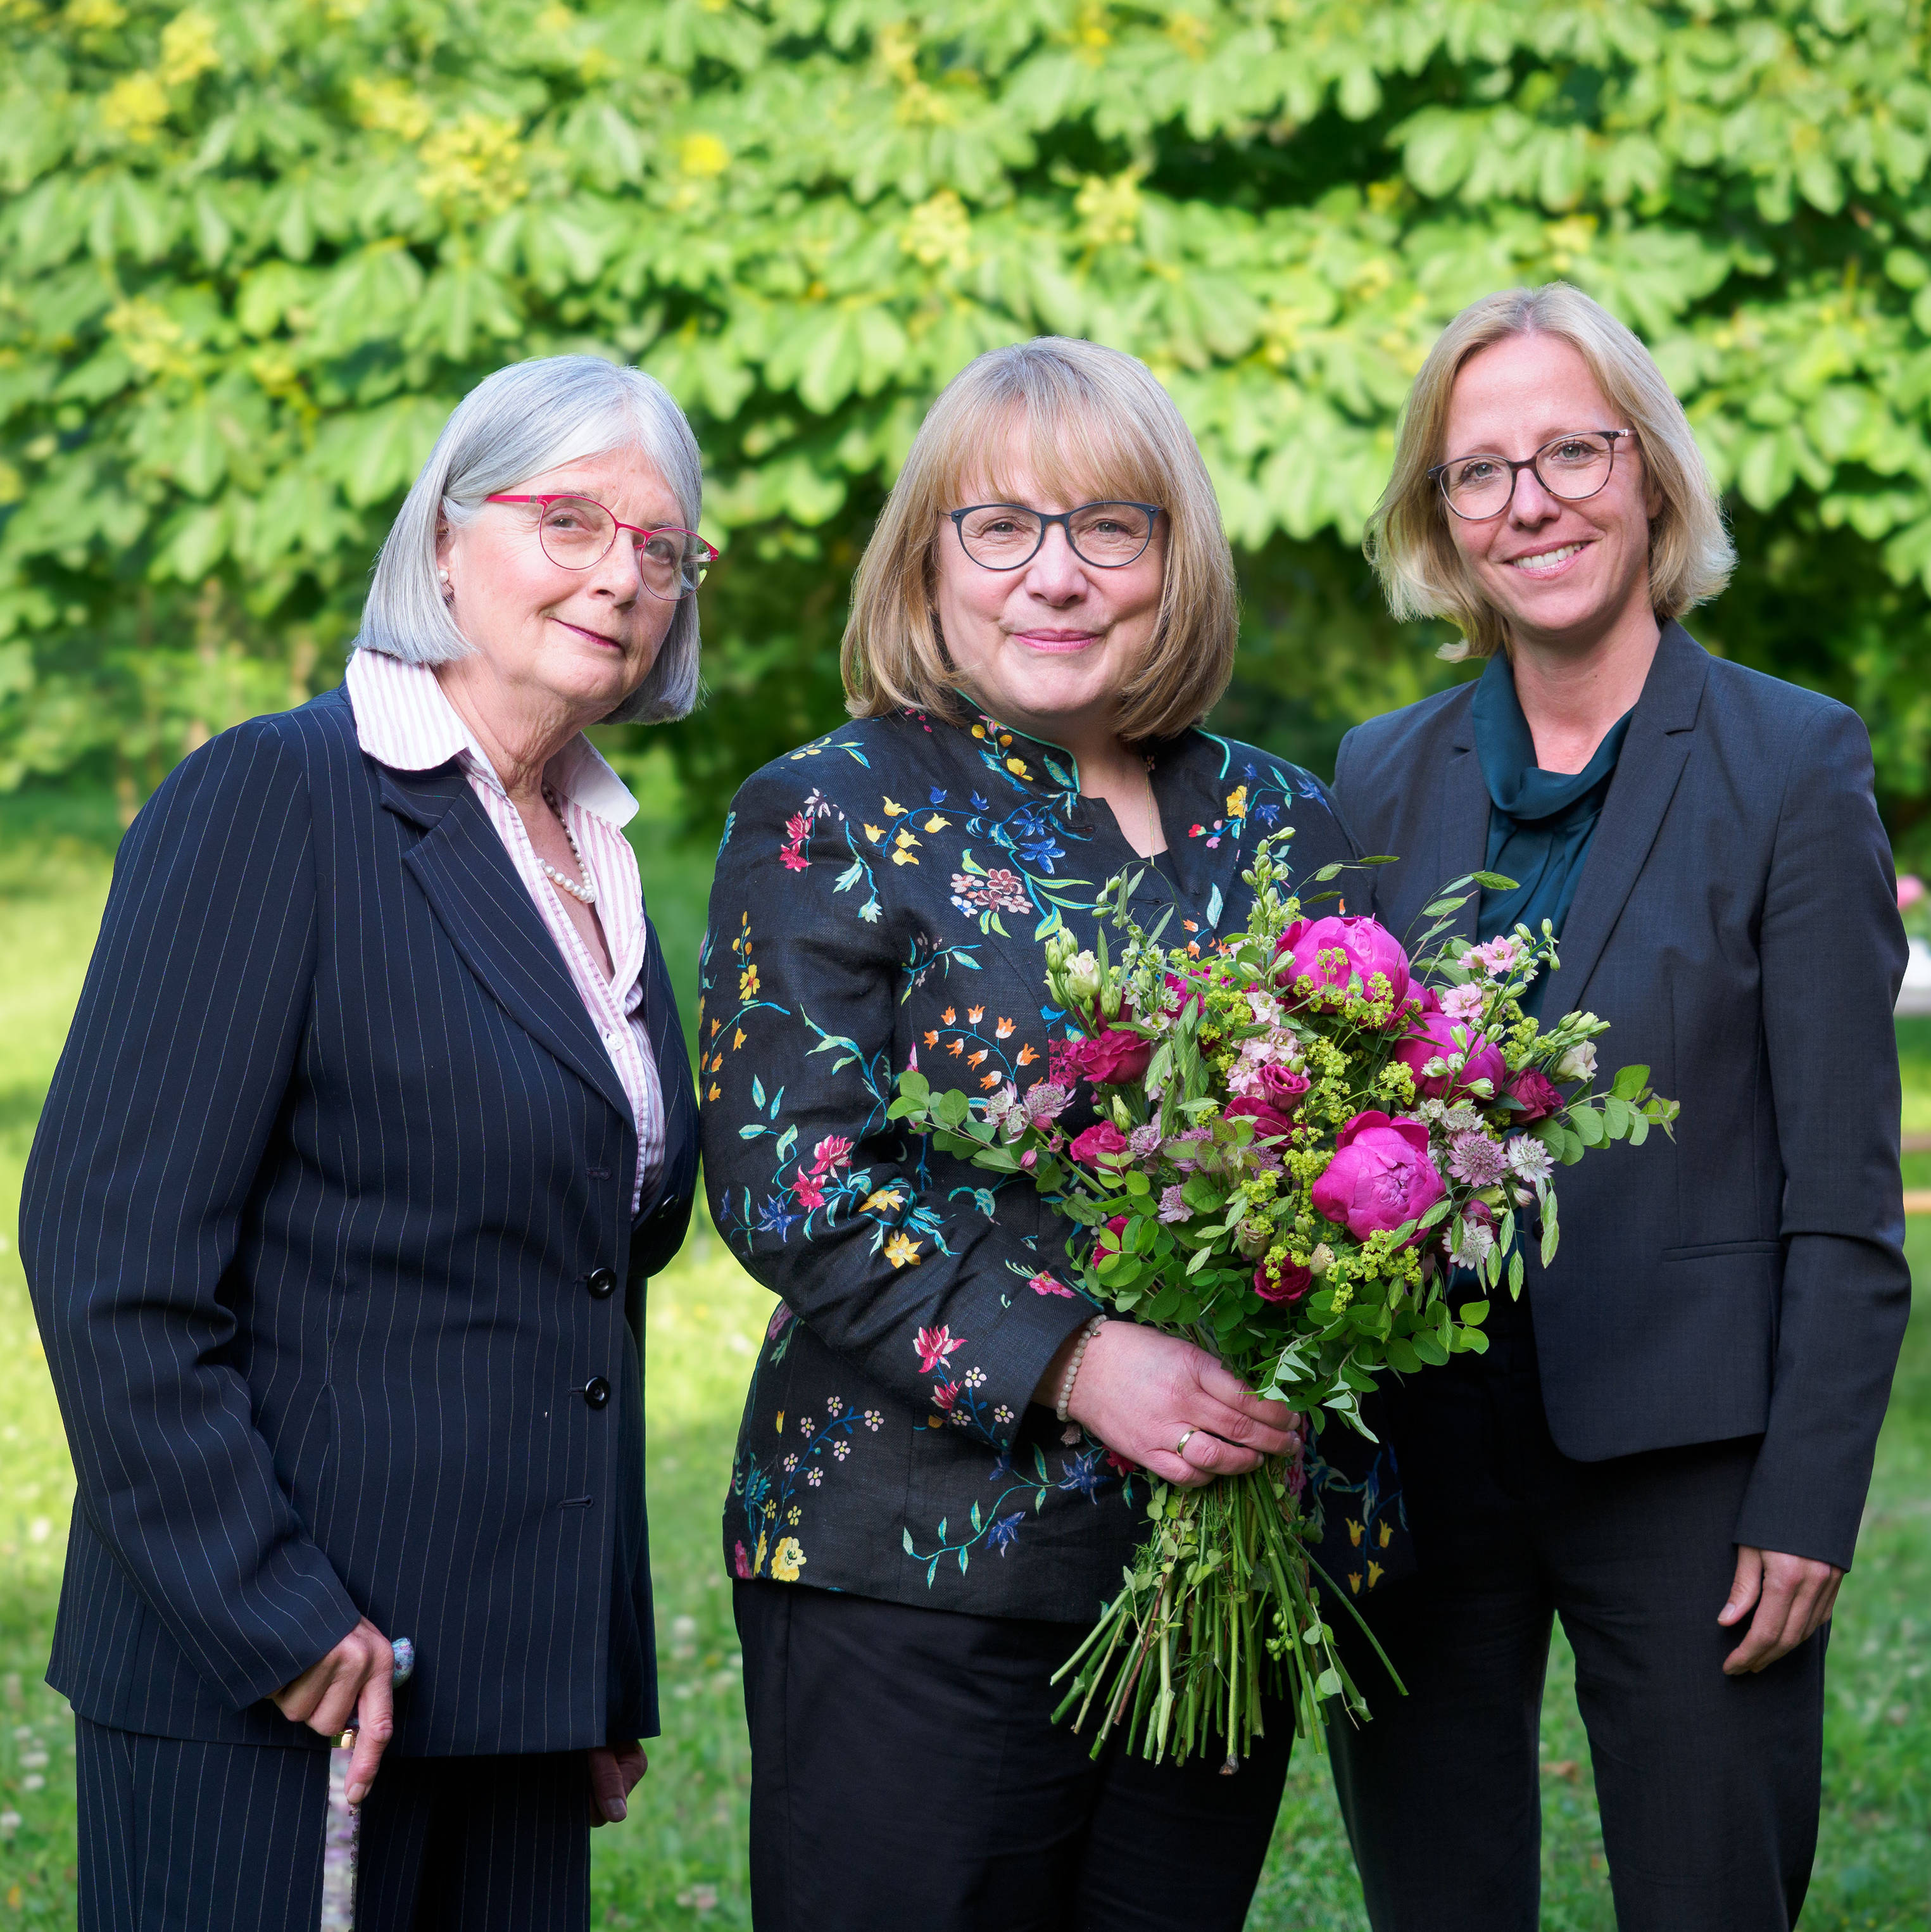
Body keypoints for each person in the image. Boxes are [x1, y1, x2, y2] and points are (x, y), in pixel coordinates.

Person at [21, 355, 705, 1932]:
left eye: (663, 547)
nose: (621, 573)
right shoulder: (279, 797)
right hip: (277, 1688)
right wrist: (272, 1614)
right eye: (571, 519)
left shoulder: (593, 849)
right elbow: (110, 1254)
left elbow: (583, 1283)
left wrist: (586, 1657)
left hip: (509, 1698)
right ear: (449, 535)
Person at [698, 336, 1349, 1931]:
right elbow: (796, 1177)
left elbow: (1359, 1149)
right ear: (930, 560)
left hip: (1211, 1570)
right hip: (914, 1565)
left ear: (1171, 555)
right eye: (1000, 527)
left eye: (1108, 526)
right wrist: (1071, 1357)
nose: (1054, 576)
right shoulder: (833, 806)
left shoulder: (1279, 817)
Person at [1324, 282, 1909, 1931]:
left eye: (1570, 451)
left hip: (1691, 1465)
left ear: (1645, 471)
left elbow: (1844, 1189)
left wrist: (1806, 1496)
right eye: (1479, 470)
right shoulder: (1376, 772)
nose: (1532, 500)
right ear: (1440, 517)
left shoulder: (1794, 763)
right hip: (1414, 1453)